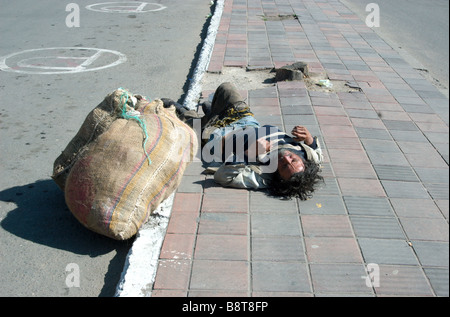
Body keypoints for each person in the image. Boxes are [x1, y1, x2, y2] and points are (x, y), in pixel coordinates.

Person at [162, 82, 323, 200]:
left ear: (278, 175)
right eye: (292, 159)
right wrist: (309, 139)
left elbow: (223, 177)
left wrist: (251, 153)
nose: (286, 158)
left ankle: (192, 114)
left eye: (284, 166)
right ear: (302, 159)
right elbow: (317, 153)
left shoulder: (263, 177)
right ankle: (212, 113)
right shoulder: (308, 156)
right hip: (246, 120)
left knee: (184, 123)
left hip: (218, 137)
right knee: (226, 88)